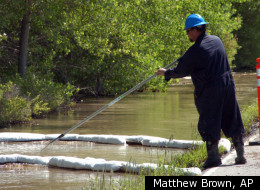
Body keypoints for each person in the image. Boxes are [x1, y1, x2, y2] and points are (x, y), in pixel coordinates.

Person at [156, 14, 247, 169]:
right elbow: (197, 59)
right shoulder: (216, 40)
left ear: (194, 30)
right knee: (232, 117)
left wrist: (165, 73)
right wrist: (186, 57)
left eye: (187, 31)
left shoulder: (195, 50)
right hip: (228, 85)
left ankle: (213, 158)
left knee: (209, 121)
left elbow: (180, 71)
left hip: (210, 90)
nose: (187, 35)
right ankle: (240, 155)